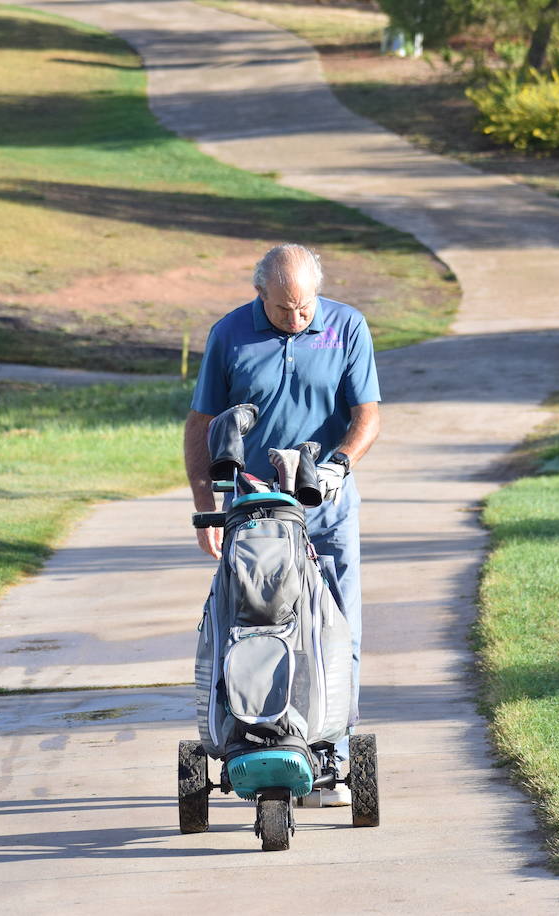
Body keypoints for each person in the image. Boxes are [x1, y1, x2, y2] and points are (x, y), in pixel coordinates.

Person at [184, 243, 380, 806]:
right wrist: (206, 503)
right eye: (285, 309)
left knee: (338, 630)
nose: (298, 318)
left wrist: (340, 463)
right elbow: (202, 424)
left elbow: (367, 415)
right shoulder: (229, 335)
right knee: (249, 624)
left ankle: (332, 753)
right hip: (254, 514)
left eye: (306, 307)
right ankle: (255, 735)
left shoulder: (347, 326)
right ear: (259, 293)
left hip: (326, 507)